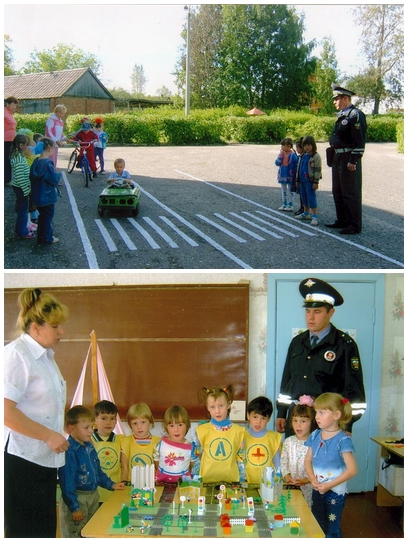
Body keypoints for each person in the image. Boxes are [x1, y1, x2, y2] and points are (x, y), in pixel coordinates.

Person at [4, 288, 70, 537]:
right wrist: (48, 435)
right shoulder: (15, 355)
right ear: (35, 327)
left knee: (42, 530)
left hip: (43, 459)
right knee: (25, 531)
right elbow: (5, 412)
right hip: (21, 460)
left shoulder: (45, 357)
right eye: (55, 326)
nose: (61, 332)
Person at [276, 277, 366, 438]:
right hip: (297, 422)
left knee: (323, 464)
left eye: (317, 312)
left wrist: (347, 424)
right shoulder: (297, 342)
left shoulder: (345, 345)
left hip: (328, 426)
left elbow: (354, 391)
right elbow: (287, 382)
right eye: (308, 311)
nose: (310, 317)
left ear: (330, 313)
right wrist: (281, 412)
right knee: (295, 463)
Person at [59, 405, 125, 537]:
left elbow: (98, 472)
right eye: (86, 428)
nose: (91, 431)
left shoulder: (90, 447)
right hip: (78, 498)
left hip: (93, 496)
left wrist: (111, 484)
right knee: (77, 533)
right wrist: (74, 507)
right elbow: (67, 482)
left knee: (91, 531)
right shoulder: (69, 451)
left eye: (91, 427)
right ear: (72, 428)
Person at [305, 393, 357, 537]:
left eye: (321, 412)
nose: (317, 416)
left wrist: (329, 485)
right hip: (317, 489)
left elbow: (352, 470)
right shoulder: (315, 435)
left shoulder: (343, 440)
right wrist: (311, 479)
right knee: (317, 524)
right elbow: (308, 460)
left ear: (336, 415)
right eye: (316, 412)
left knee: (332, 528)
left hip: (335, 493)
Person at [326, 84, 367, 235]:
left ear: (345, 98)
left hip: (348, 157)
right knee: (338, 190)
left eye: (336, 99)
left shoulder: (355, 115)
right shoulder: (343, 115)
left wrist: (353, 160)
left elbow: (359, 141)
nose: (334, 102)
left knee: (350, 192)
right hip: (338, 156)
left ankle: (354, 225)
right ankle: (342, 220)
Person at [192, 384, 246, 483]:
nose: (217, 411)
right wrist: (195, 478)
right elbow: (196, 456)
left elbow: (241, 458)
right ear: (207, 407)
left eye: (221, 406)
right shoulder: (201, 430)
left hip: (232, 482)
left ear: (229, 405)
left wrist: (242, 479)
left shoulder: (239, 431)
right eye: (212, 407)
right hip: (205, 482)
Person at [280, 398, 316, 508]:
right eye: (295, 420)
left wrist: (306, 480)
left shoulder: (315, 443)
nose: (298, 425)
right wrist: (287, 477)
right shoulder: (288, 441)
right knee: (290, 508)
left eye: (303, 421)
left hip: (309, 488)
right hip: (290, 485)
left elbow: (318, 467)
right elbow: (283, 462)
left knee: (306, 511)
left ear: (312, 422)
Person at [29, 137, 62, 245]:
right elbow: (52, 179)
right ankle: (47, 238)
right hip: (47, 195)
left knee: (41, 217)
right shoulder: (48, 163)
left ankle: (41, 237)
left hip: (37, 194)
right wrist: (58, 175)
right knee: (47, 218)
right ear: (49, 148)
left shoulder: (36, 161)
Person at [91, 400, 124, 502]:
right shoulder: (89, 440)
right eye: (104, 418)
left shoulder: (121, 440)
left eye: (112, 418)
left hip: (115, 492)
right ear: (95, 420)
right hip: (95, 494)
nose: (108, 422)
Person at [243, 396, 281, 484]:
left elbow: (277, 462)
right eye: (255, 417)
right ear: (248, 415)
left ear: (269, 419)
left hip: (269, 483)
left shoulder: (273, 438)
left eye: (263, 418)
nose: (258, 422)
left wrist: (277, 480)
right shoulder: (242, 436)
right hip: (246, 481)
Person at [154, 405, 195, 483]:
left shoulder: (191, 447)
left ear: (187, 425)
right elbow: (156, 462)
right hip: (161, 484)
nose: (176, 430)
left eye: (180, 425)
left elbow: (192, 467)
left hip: (183, 485)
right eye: (171, 426)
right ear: (166, 427)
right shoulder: (160, 444)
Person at [120, 402, 160, 482]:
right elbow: (124, 467)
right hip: (132, 486)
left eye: (143, 422)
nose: (139, 427)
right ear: (130, 425)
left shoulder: (158, 441)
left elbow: (159, 468)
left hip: (152, 485)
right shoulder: (126, 441)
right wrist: (124, 483)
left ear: (150, 421)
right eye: (135, 423)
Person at [10, 133, 35, 239]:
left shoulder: (17, 156)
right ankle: (22, 232)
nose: (28, 147)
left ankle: (20, 229)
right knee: (23, 211)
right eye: (27, 145)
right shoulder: (19, 160)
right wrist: (26, 190)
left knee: (22, 210)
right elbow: (20, 178)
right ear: (21, 146)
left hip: (19, 187)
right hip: (21, 188)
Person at [295, 135, 322, 226]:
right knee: (304, 197)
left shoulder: (315, 156)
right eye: (305, 145)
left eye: (309, 145)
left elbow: (318, 170)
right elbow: (299, 167)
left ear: (313, 145)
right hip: (302, 180)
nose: (307, 147)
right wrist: (297, 179)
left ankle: (314, 216)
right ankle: (306, 213)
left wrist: (316, 182)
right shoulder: (304, 156)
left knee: (311, 197)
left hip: (310, 181)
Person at [275, 137, 298, 212]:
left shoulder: (293, 155)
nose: (282, 147)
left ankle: (290, 204)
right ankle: (284, 203)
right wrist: (280, 155)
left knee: (291, 190)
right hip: (282, 174)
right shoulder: (282, 154)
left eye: (283, 145)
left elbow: (296, 165)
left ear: (288, 146)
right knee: (283, 190)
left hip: (290, 175)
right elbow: (277, 163)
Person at [45, 104, 69, 170]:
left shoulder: (60, 121)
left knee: (54, 161)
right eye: (60, 113)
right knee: (50, 160)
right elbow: (49, 132)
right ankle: (49, 176)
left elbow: (60, 133)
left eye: (62, 114)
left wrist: (65, 138)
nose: (61, 115)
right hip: (50, 143)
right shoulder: (51, 120)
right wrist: (56, 140)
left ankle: (53, 176)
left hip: (56, 144)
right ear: (56, 111)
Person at [4, 96, 19, 185]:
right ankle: (6, 180)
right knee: (6, 160)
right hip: (5, 140)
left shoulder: (10, 113)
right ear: (7, 104)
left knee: (8, 159)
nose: (14, 107)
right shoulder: (3, 111)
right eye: (12, 105)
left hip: (11, 139)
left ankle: (7, 179)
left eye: (15, 106)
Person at [294, 137, 304, 216]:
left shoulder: (304, 156)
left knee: (304, 195)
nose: (296, 149)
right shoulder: (299, 156)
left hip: (303, 179)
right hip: (299, 179)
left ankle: (304, 209)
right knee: (301, 194)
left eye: (297, 147)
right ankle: (302, 208)